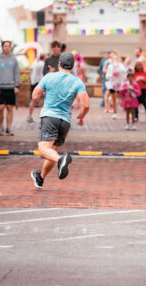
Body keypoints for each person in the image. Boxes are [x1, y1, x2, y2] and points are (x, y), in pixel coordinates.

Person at [30, 53, 90, 189]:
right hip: (65, 122)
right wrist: (81, 117)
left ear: (59, 64)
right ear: (72, 66)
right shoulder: (77, 82)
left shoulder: (49, 77)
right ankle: (40, 178)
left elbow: (34, 95)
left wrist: (46, 90)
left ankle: (61, 160)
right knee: (52, 151)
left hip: (49, 117)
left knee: (43, 151)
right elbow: (86, 105)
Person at [0, 40, 20, 136]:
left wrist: (16, 85)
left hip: (11, 87)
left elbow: (17, 73)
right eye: (5, 46)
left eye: (9, 46)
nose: (7, 47)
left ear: (10, 47)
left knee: (9, 108)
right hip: (0, 87)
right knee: (0, 108)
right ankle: (1, 127)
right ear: (2, 47)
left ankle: (8, 128)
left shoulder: (14, 60)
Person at [106, 52, 126, 119]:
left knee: (121, 98)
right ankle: (115, 112)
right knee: (113, 98)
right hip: (112, 84)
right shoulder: (110, 66)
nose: (114, 60)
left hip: (119, 85)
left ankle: (126, 110)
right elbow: (107, 76)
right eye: (113, 58)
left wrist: (118, 68)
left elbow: (124, 71)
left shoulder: (120, 65)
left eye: (116, 58)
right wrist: (110, 75)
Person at [27, 53, 46, 123]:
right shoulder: (43, 64)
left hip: (33, 82)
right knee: (46, 98)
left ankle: (30, 116)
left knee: (33, 100)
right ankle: (45, 116)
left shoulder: (36, 64)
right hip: (39, 83)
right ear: (44, 58)